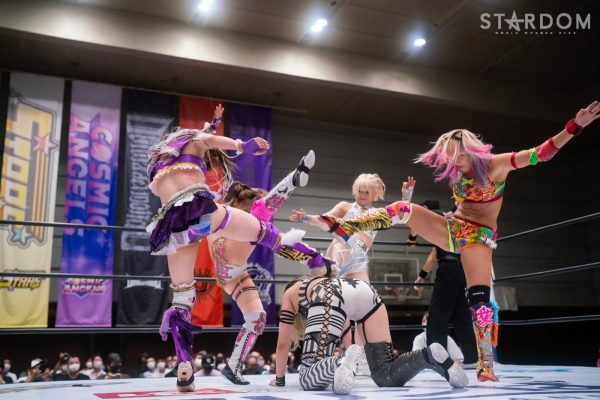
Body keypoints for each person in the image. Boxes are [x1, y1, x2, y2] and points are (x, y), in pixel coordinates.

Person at [314, 101, 600, 382]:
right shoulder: (459, 175)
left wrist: (574, 127)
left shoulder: (496, 165)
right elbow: (464, 206)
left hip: (479, 236)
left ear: (471, 149)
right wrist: (453, 214)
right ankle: (349, 225)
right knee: (403, 208)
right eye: (451, 156)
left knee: (479, 300)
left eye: (459, 154)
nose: (456, 160)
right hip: (453, 228)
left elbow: (541, 154)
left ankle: (485, 365)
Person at [146, 105, 333, 391]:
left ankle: (186, 363)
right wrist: (241, 145)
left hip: (172, 227)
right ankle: (316, 260)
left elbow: (203, 136)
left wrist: (213, 125)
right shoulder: (194, 142)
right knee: (264, 231)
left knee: (182, 298)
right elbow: (207, 139)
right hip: (202, 218)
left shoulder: (158, 161)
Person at [206, 150, 326, 385]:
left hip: (234, 274)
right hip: (228, 262)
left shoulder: (239, 218)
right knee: (262, 219)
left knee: (257, 317)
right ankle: (294, 178)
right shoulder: (224, 213)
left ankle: (233, 367)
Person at [289, 174, 414, 374]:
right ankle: (330, 269)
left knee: (366, 308)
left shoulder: (377, 213)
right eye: (359, 191)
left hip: (358, 261)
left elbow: (401, 214)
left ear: (375, 194)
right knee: (336, 302)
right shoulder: (345, 206)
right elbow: (325, 219)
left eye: (367, 192)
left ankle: (363, 358)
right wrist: (305, 218)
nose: (362, 195)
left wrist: (406, 196)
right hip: (340, 250)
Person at [270, 276, 467, 394]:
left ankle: (340, 362)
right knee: (385, 375)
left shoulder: (290, 293)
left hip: (329, 294)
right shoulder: (320, 282)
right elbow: (345, 326)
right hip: (366, 291)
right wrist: (350, 356)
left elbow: (283, 343)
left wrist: (279, 380)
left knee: (307, 378)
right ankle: (427, 355)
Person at [410, 200, 477, 366]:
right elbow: (434, 253)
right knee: (461, 314)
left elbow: (414, 230)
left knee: (437, 314)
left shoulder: (435, 217)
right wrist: (422, 275)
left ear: (425, 209)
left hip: (448, 269)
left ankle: (437, 359)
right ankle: (472, 358)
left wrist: (412, 238)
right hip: (462, 268)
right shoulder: (449, 219)